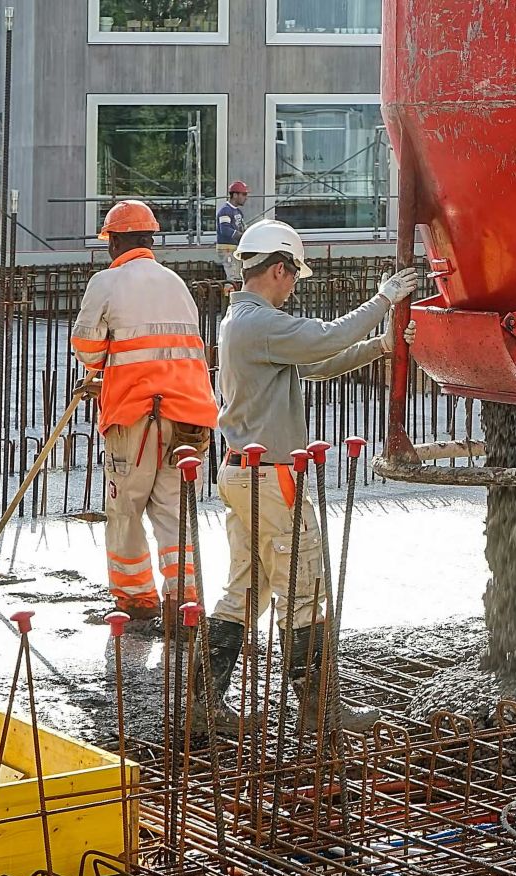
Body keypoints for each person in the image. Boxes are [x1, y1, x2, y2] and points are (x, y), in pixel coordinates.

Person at [198, 219, 420, 733]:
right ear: (278, 269)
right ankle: (318, 713)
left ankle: (203, 706)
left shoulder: (244, 322)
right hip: (272, 480)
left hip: (243, 475)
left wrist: (381, 347)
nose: (295, 283)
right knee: (305, 589)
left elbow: (316, 364)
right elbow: (330, 336)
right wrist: (383, 299)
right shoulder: (260, 324)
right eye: (293, 274)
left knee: (245, 589)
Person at [69, 200, 219, 627]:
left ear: (115, 240)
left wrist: (108, 371)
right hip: (190, 416)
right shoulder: (176, 282)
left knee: (125, 509)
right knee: (173, 511)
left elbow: (87, 349)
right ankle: (184, 602)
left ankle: (136, 598)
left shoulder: (107, 281)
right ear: (149, 239)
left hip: (135, 414)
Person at [216, 181, 249, 288]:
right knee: (232, 277)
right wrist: (241, 236)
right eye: (243, 194)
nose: (246, 197)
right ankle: (229, 300)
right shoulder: (225, 211)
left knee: (237, 277)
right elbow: (224, 229)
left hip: (234, 248)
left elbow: (243, 228)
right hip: (227, 249)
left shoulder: (238, 212)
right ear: (235, 195)